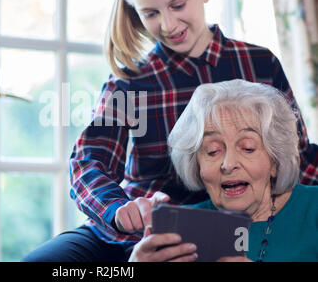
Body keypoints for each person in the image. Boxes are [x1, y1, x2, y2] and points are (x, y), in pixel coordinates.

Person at [22, 0, 317, 262]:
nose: (168, 24)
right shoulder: (129, 82)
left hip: (218, 231)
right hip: (131, 233)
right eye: (151, 13)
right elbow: (87, 162)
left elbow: (299, 156)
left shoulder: (259, 64)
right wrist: (118, 211)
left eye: (178, 5)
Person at [129, 79, 318, 262]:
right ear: (196, 165)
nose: (228, 164)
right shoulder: (178, 228)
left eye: (247, 148)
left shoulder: (313, 207)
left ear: (275, 161)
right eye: (213, 151)